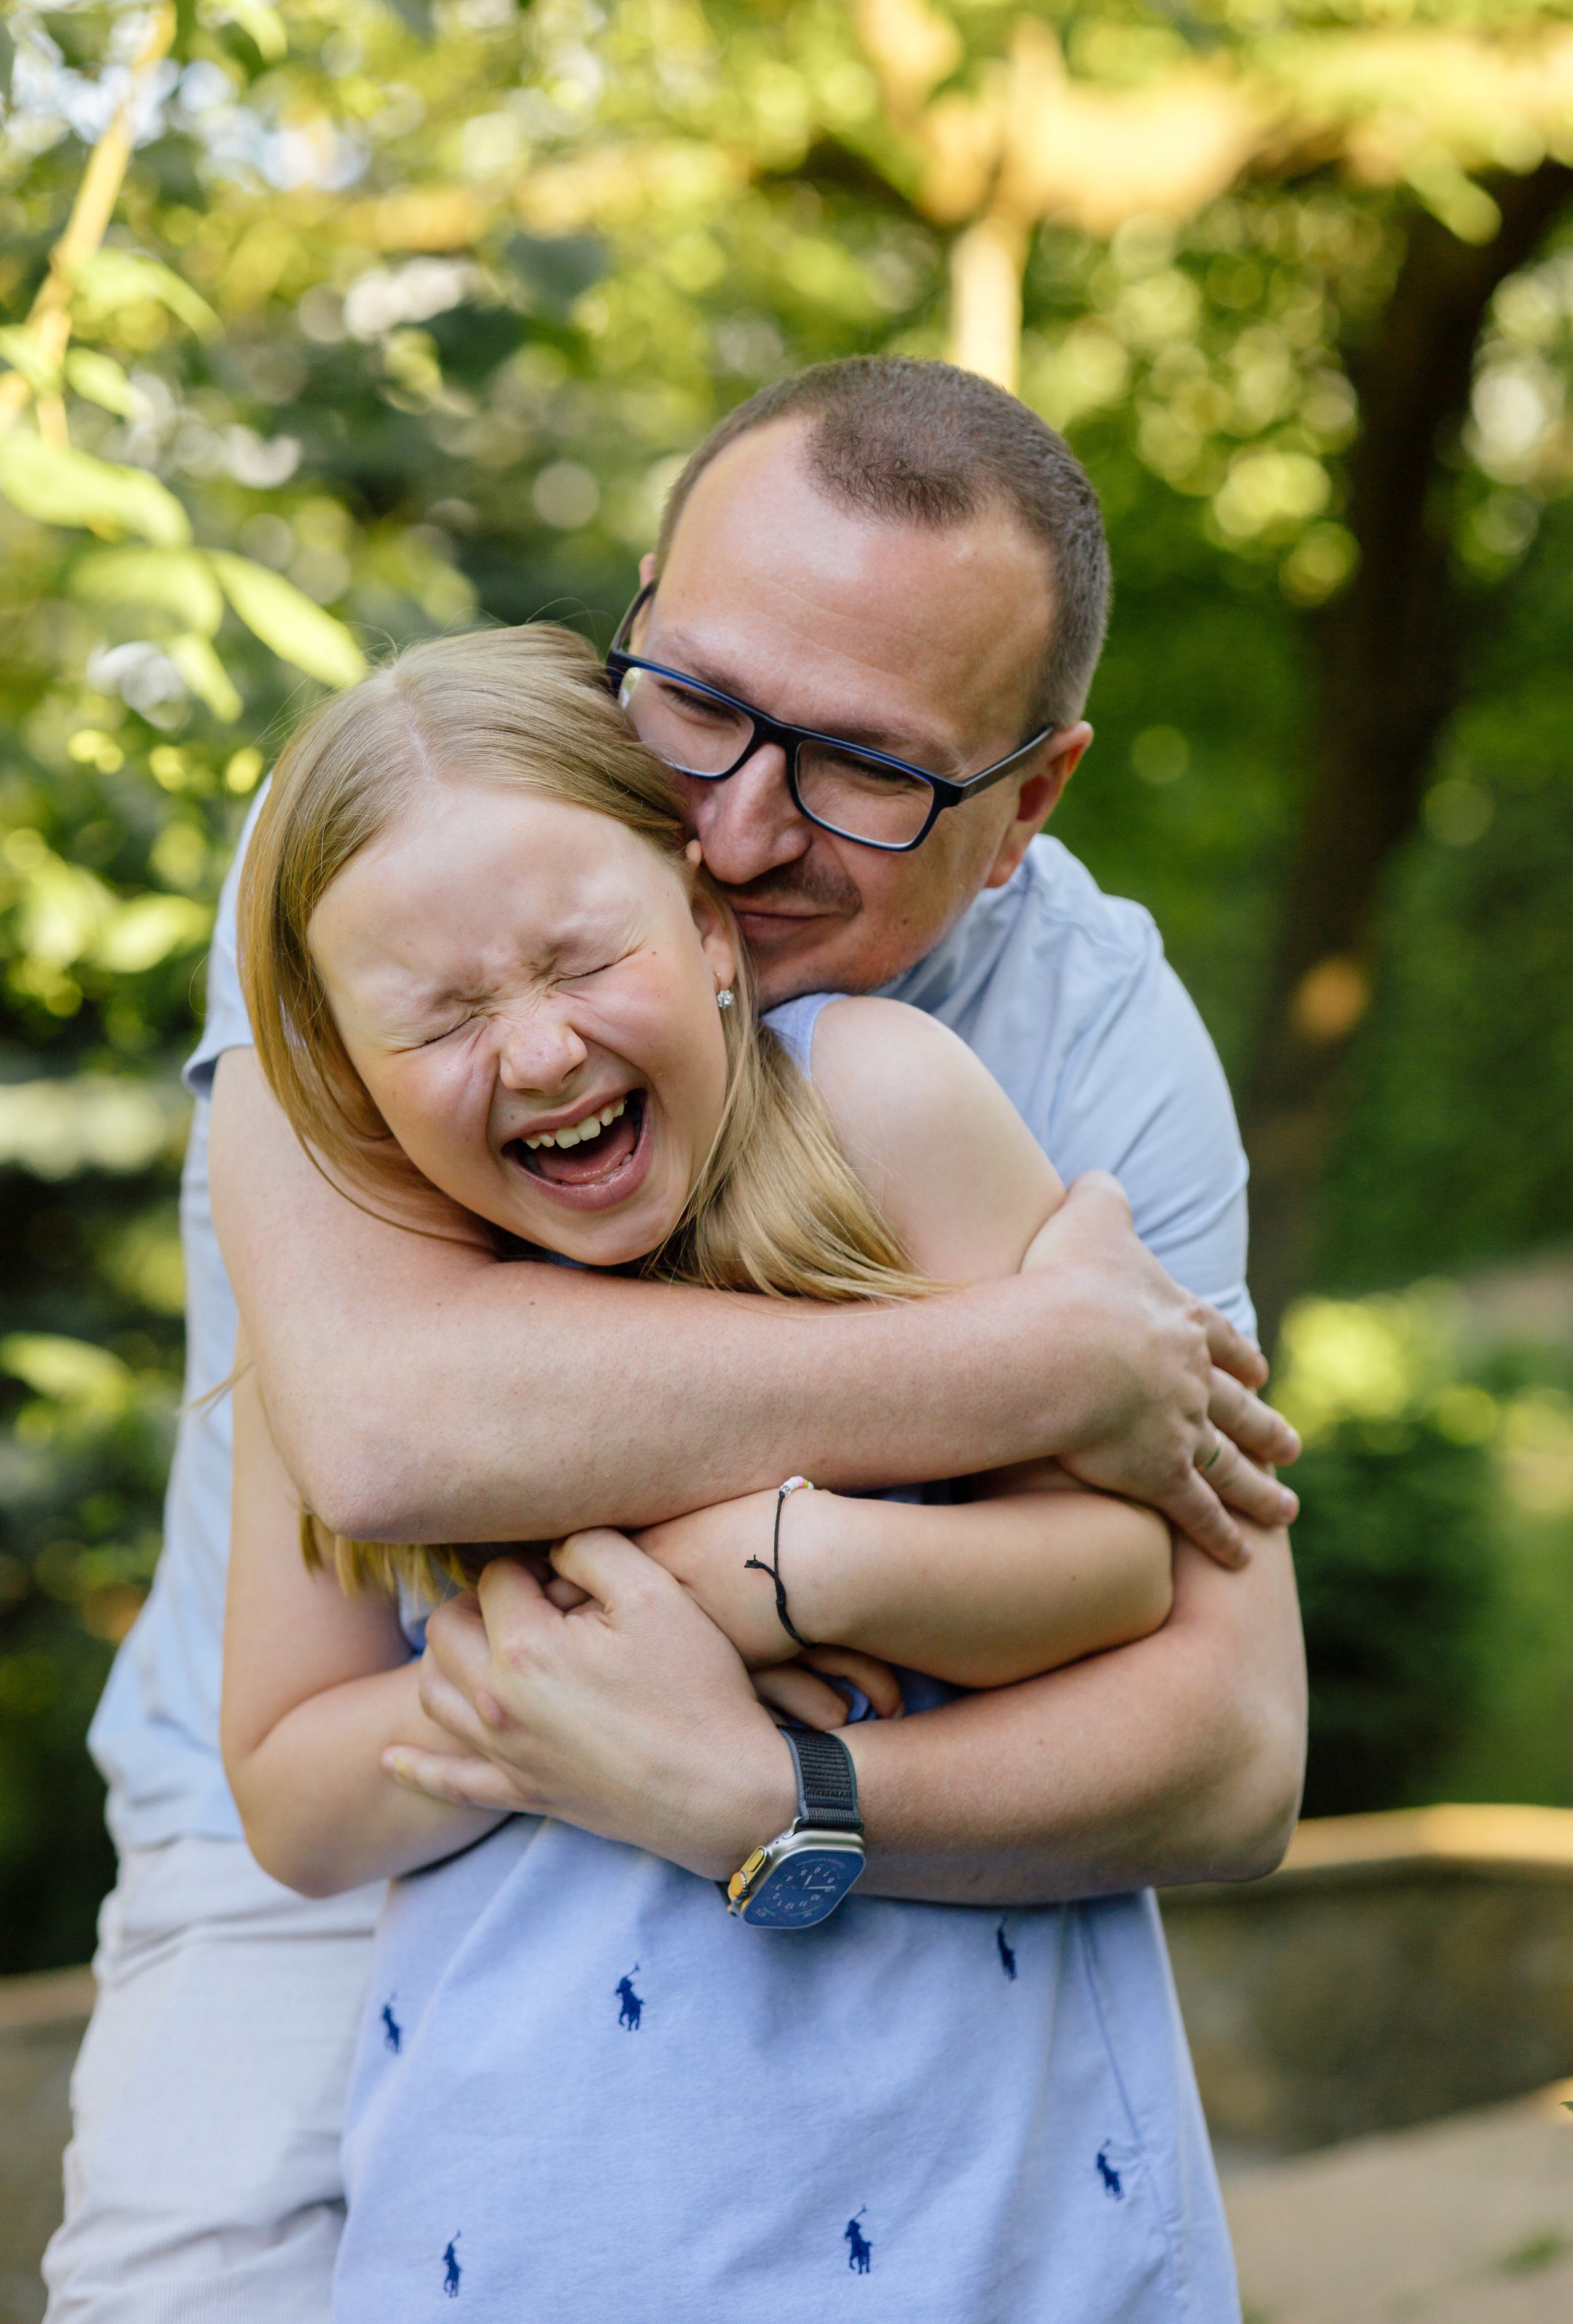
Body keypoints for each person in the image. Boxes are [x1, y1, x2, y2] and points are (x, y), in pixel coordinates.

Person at [44, 357, 1304, 2322]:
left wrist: (767, 1797)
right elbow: (383, 1436)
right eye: (699, 699)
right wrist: (1042, 1371)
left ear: (1028, 802)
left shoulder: (1084, 1035)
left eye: (865, 767)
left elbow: (1226, 1747)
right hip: (340, 1846)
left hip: (891, 1875)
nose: (728, 826)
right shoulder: (411, 845)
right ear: (638, 607)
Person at [221, 619, 1196, 2319]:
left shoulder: (874, 1107)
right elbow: (290, 1799)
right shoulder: (356, 1327)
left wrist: (779, 1575)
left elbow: (1119, 1570)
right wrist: (550, 1706)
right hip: (529, 2222)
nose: (538, 1052)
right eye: (437, 1019)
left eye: (583, 959)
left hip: (964, 2193)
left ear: (707, 921)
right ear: (343, 1070)